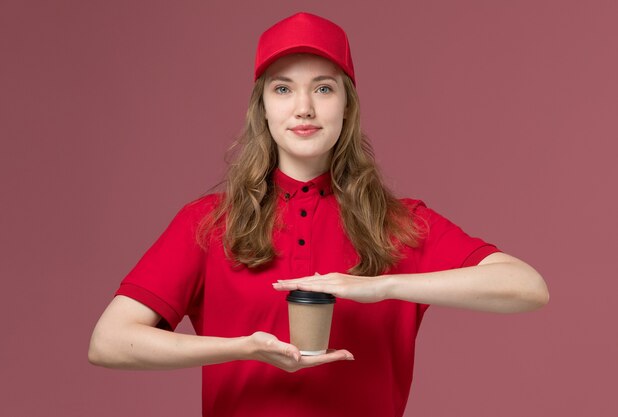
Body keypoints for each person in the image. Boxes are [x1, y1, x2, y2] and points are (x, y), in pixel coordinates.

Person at [88, 12, 549, 417]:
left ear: (347, 106)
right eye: (283, 88)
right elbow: (109, 341)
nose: (303, 108)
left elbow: (527, 287)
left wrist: (381, 286)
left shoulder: (399, 223)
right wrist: (244, 350)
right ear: (262, 108)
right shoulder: (208, 222)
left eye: (323, 88)